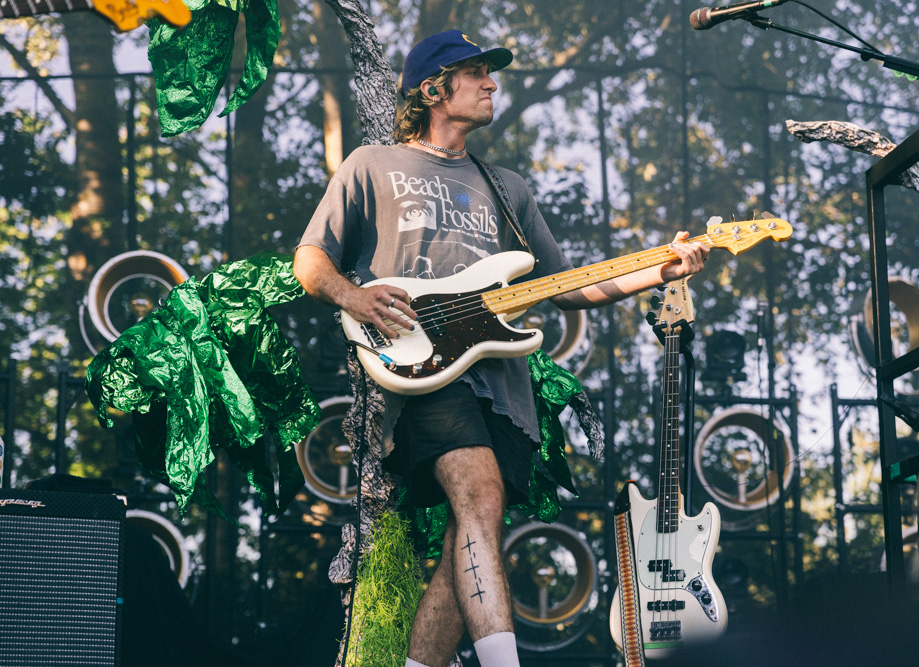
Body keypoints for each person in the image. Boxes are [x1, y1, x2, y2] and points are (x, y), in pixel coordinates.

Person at [293, 29, 710, 667]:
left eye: (492, 74)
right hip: (422, 367)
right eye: (477, 74)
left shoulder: (507, 187)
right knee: (481, 500)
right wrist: (353, 297)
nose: (492, 84)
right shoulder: (371, 165)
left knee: (472, 528)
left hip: (503, 385)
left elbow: (571, 288)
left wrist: (664, 268)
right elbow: (310, 260)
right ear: (434, 89)